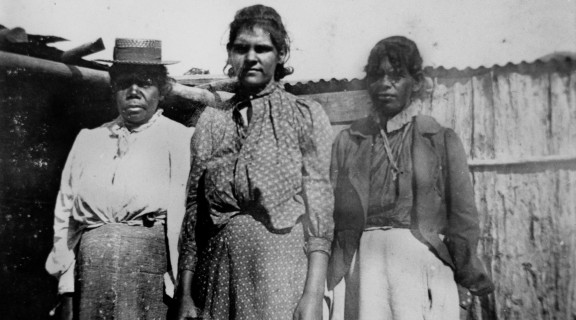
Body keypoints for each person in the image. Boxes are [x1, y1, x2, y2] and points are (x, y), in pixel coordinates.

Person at [175, 4, 334, 320]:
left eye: (262, 48)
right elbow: (194, 210)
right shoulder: (212, 121)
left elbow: (320, 210)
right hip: (217, 272)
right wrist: (184, 293)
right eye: (241, 48)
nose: (251, 57)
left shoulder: (305, 116)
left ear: (280, 53)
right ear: (230, 53)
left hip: (278, 273)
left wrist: (313, 295)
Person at [327, 36, 494, 320]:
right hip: (362, 266)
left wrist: (466, 276)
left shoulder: (440, 140)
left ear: (416, 83)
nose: (385, 84)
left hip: (420, 262)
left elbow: (463, 217)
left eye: (397, 76)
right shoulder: (349, 142)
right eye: (378, 76)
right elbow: (328, 213)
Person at [45, 38, 194, 320]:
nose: (134, 91)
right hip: (91, 272)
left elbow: (186, 221)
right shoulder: (89, 139)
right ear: (113, 87)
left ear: (162, 90)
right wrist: (66, 289)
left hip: (148, 271)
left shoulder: (180, 139)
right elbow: (65, 220)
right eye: (125, 82)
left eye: (145, 82)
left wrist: (180, 290)